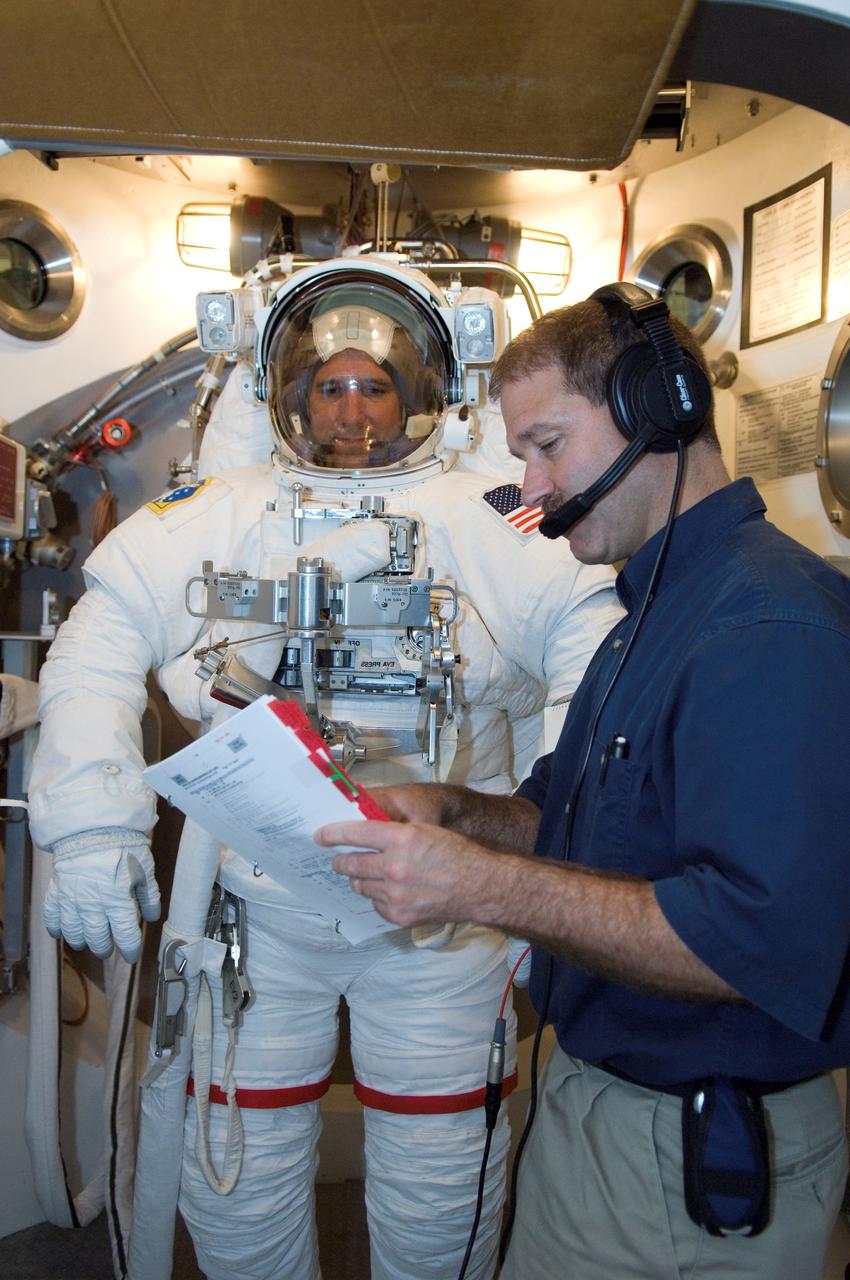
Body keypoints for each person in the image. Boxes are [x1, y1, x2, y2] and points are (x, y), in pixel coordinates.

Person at [27, 263, 622, 1280]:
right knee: (237, 1178)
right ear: (290, 396)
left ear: (423, 393)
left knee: (440, 1189)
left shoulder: (489, 516)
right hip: (256, 912)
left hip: (442, 911)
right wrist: (89, 825)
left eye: (376, 385)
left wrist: (548, 878)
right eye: (331, 386)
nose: (353, 409)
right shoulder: (222, 508)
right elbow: (98, 641)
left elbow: (591, 658)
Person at [318, 282, 850, 1280]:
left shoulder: (766, 629)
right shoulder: (645, 608)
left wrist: (468, 885)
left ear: (661, 412)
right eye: (520, 454)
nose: (527, 487)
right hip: (594, 1111)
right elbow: (570, 819)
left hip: (697, 1163)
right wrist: (455, 815)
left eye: (546, 446)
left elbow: (748, 939)